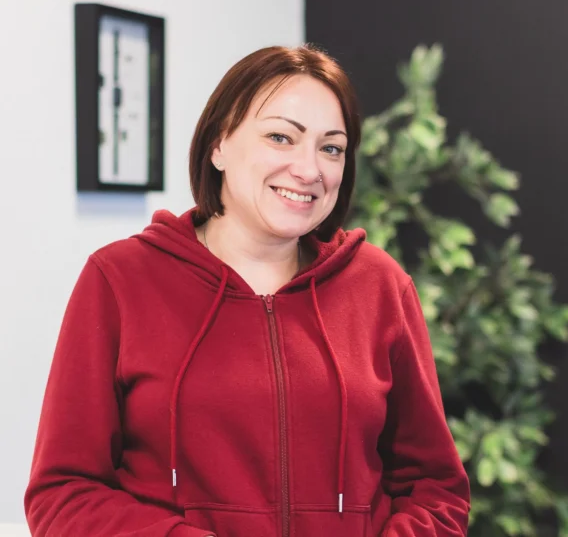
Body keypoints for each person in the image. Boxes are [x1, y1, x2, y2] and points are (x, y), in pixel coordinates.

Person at [25, 45, 470, 536]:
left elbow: (436, 488)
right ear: (219, 144)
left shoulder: (379, 285)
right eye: (281, 137)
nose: (309, 169)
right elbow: (63, 493)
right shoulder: (120, 279)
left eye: (331, 148)